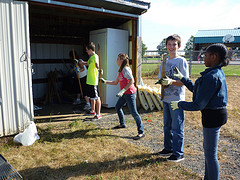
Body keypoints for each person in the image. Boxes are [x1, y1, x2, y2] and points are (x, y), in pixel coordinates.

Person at [171, 43, 229, 180]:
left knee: (210, 154)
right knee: (209, 151)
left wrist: (179, 104)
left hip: (212, 117)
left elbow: (198, 104)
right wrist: (183, 78)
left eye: (206, 55)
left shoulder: (211, 77)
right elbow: (199, 92)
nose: (203, 58)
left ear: (214, 57)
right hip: (216, 114)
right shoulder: (215, 72)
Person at [155, 34, 189, 162]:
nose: (171, 47)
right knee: (167, 125)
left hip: (177, 99)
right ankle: (168, 148)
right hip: (166, 98)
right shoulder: (164, 61)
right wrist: (161, 82)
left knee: (177, 126)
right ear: (166, 46)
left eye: (174, 44)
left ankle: (178, 153)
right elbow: (160, 78)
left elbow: (185, 81)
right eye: (169, 44)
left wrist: (171, 82)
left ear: (178, 46)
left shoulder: (181, 61)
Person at [100, 53, 145, 140]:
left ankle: (141, 132)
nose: (116, 60)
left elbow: (132, 80)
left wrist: (123, 90)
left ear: (122, 60)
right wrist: (105, 81)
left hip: (130, 93)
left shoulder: (125, 69)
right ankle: (122, 124)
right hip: (124, 93)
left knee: (134, 112)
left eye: (118, 59)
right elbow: (115, 82)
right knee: (118, 107)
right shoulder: (121, 70)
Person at [78, 42, 102, 120]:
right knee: (92, 97)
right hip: (89, 80)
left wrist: (99, 69)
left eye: (87, 50)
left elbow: (96, 64)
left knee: (96, 97)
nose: (86, 51)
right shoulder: (91, 57)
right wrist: (82, 63)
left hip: (93, 80)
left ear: (91, 50)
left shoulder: (95, 56)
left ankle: (98, 114)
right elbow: (87, 64)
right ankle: (92, 111)